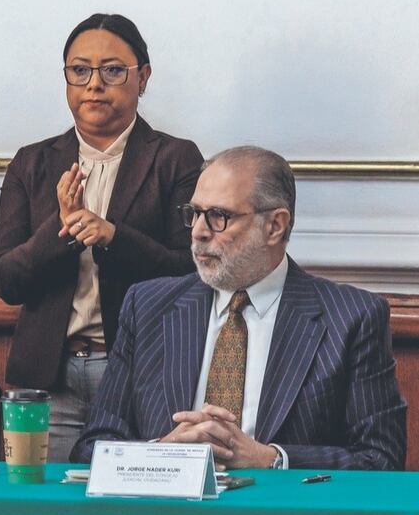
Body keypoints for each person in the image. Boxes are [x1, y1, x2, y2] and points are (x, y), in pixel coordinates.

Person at [71, 146, 407, 470]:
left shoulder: (351, 317)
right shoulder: (147, 307)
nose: (199, 232)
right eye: (194, 214)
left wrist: (271, 459)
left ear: (275, 225)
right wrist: (161, 456)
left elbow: (379, 459)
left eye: (219, 216)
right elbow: (93, 445)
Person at [0, 13, 203, 461]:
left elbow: (192, 273)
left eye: (112, 71)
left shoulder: (175, 159)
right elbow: (6, 280)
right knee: (45, 510)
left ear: (142, 78)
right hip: (50, 377)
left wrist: (112, 236)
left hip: (140, 370)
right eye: (79, 70)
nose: (94, 84)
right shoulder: (32, 163)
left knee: (131, 510)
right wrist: (62, 230)